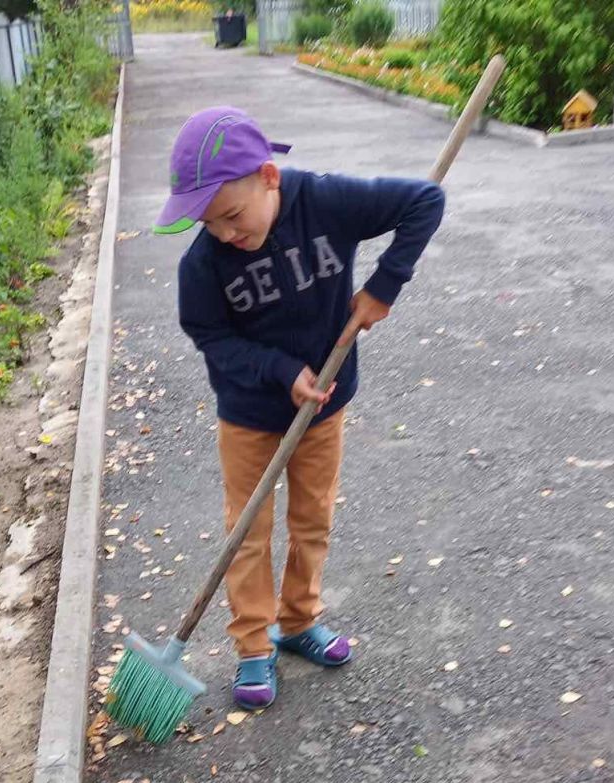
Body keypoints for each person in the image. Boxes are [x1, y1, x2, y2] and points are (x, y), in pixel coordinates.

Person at [155, 106, 444, 710]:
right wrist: (280, 372)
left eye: (232, 216)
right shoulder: (202, 266)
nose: (226, 234)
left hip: (324, 408)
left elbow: (424, 200)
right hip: (250, 417)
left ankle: (299, 620)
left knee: (312, 518)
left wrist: (384, 286)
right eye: (209, 224)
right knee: (249, 532)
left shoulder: (325, 200)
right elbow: (211, 336)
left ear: (268, 176)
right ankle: (254, 645)